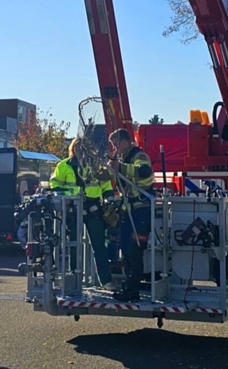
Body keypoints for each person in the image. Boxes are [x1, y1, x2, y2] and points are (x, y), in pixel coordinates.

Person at [51, 138, 116, 291]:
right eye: (78, 147)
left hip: (93, 208)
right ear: (72, 149)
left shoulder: (97, 167)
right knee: (74, 244)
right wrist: (62, 198)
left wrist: (110, 201)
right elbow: (55, 184)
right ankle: (74, 279)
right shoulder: (64, 165)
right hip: (73, 208)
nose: (80, 150)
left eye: (83, 147)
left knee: (99, 245)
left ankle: (105, 281)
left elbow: (106, 186)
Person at [107, 127, 154, 302]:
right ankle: (129, 287)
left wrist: (121, 167)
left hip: (142, 212)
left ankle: (133, 290)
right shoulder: (122, 157)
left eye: (115, 144)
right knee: (126, 250)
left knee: (134, 251)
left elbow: (144, 172)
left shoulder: (138, 157)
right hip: (129, 213)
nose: (114, 148)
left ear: (124, 143)